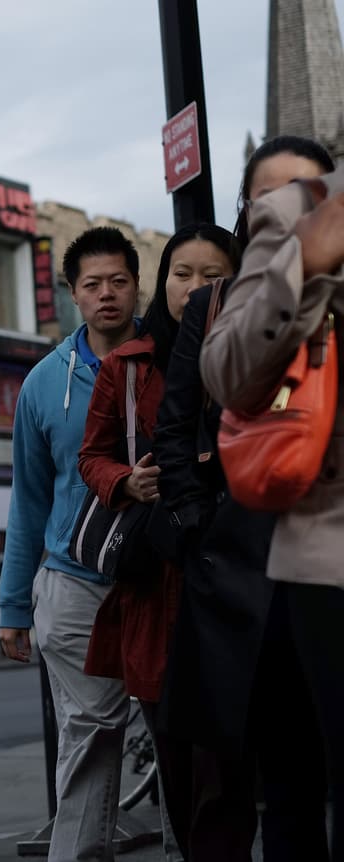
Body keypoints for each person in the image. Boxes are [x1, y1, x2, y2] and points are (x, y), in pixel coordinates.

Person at [155, 137, 333, 862]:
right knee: (279, 777)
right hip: (247, 567)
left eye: (307, 193)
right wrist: (196, 526)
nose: (290, 210)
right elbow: (178, 426)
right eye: (270, 198)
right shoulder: (218, 304)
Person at [78, 223, 241, 859]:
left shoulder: (258, 354)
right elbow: (91, 456)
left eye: (212, 275)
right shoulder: (127, 366)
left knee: (227, 771)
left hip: (237, 573)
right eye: (182, 274)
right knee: (176, 767)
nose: (194, 288)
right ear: (162, 281)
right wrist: (126, 480)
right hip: (157, 582)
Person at [200, 154, 344, 861]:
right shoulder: (300, 213)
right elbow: (223, 375)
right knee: (290, 779)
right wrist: (305, 268)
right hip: (324, 552)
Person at [0, 227, 140, 862]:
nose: (107, 294)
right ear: (73, 294)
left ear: (137, 286)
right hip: (74, 579)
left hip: (159, 575)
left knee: (183, 736)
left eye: (118, 281)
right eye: (93, 284)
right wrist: (12, 606)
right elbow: (28, 499)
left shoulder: (171, 360)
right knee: (88, 734)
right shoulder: (42, 384)